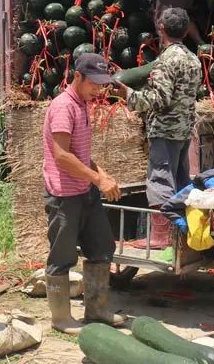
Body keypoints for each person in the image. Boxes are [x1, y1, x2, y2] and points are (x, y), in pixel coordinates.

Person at [42, 52, 125, 335]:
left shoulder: (82, 104)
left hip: (84, 191)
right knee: (62, 257)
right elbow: (63, 156)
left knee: (102, 248)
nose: (99, 90)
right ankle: (61, 318)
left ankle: (98, 310)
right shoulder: (64, 107)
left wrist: (101, 175)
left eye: (103, 85)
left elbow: (82, 155)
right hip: (64, 195)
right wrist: (98, 181)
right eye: (95, 84)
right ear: (77, 76)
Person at [112, 7, 202, 250]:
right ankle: (182, 235)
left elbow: (158, 99)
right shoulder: (193, 59)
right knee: (182, 181)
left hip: (164, 131)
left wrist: (128, 94)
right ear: (185, 30)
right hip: (184, 130)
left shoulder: (165, 61)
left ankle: (161, 237)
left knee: (160, 181)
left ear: (161, 29)